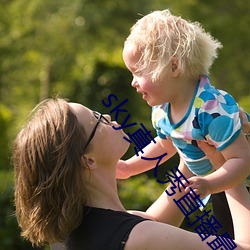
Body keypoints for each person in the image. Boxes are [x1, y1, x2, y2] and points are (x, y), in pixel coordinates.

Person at [13, 98, 250, 250]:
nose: (106, 116)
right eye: (97, 120)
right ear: (88, 160)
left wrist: (190, 136)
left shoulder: (76, 234)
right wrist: (228, 166)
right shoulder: (138, 238)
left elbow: (154, 220)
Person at [120, 9, 250, 237]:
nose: (133, 82)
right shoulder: (162, 110)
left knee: (233, 238)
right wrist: (129, 167)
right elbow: (165, 146)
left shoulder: (211, 108)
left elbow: (241, 160)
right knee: (154, 223)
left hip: (238, 181)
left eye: (138, 72)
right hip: (207, 177)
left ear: (173, 67)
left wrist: (209, 184)